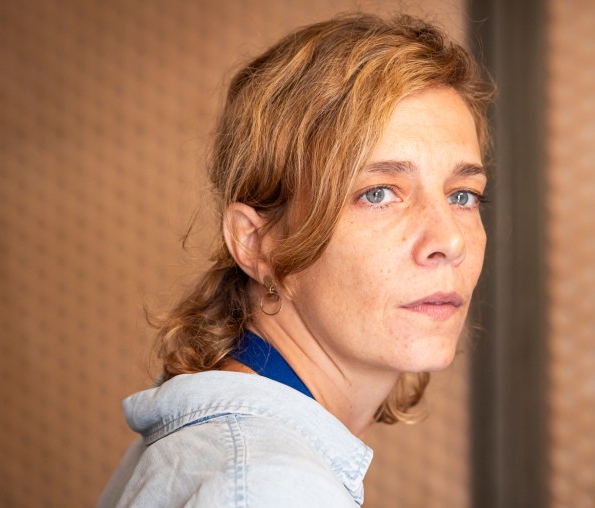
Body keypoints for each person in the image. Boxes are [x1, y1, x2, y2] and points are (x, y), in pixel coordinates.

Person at [98, 13, 493, 507]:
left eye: (462, 195)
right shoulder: (266, 489)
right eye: (377, 194)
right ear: (255, 242)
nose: (449, 240)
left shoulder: (237, 458)